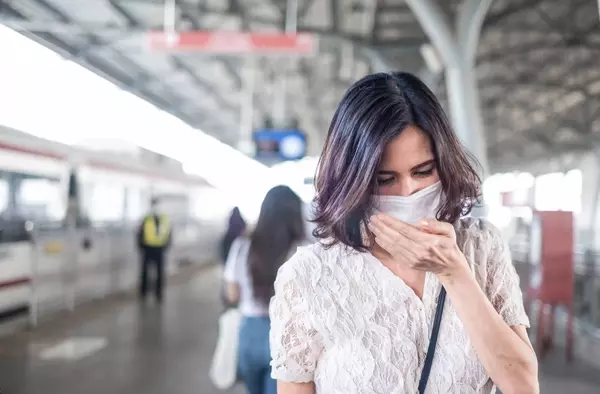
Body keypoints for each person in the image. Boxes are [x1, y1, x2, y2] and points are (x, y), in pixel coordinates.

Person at [269, 72, 539, 394]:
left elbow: (523, 386)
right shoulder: (308, 277)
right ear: (353, 181)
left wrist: (455, 273)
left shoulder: (482, 248)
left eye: (423, 171)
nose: (408, 191)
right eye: (385, 180)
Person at [224, 186, 305, 394]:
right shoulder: (302, 252)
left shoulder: (241, 247)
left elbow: (232, 295)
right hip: (287, 335)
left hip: (249, 331)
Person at [137, 198, 172, 303]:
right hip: (148, 248)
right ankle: (143, 292)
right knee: (145, 272)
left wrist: (166, 246)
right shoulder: (146, 218)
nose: (155, 207)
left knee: (160, 272)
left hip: (160, 249)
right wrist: (141, 246)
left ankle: (158, 293)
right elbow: (140, 233)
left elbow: (169, 234)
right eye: (154, 205)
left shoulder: (165, 219)